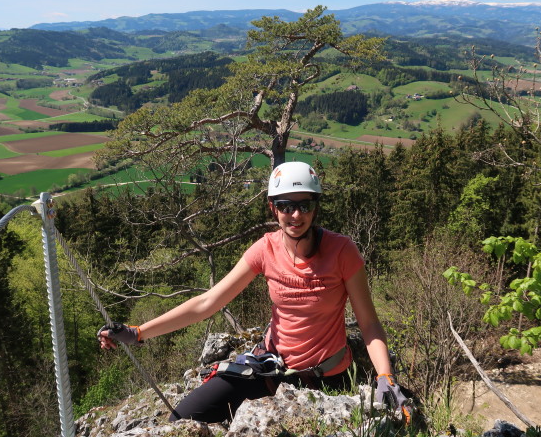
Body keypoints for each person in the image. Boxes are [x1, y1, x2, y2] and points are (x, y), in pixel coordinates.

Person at [98, 161, 410, 423]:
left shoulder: (342, 252)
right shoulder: (265, 249)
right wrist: (138, 332)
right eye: (286, 206)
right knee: (182, 419)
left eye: (305, 205)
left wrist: (385, 376)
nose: (296, 216)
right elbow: (208, 302)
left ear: (316, 208)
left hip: (327, 376)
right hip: (271, 366)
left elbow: (369, 323)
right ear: (273, 209)